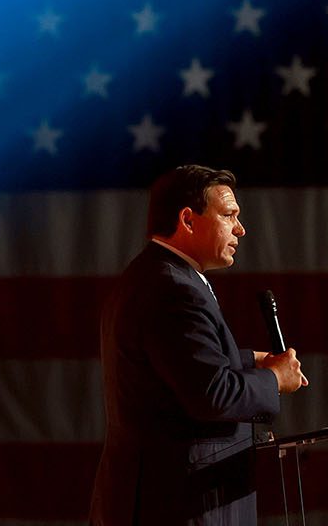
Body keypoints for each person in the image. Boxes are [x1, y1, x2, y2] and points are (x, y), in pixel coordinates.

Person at [89, 164, 308, 526]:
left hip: (166, 499)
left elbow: (174, 366)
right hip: (180, 504)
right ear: (188, 220)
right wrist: (274, 380)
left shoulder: (157, 275)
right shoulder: (174, 289)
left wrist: (251, 361)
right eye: (228, 215)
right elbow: (212, 395)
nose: (240, 229)